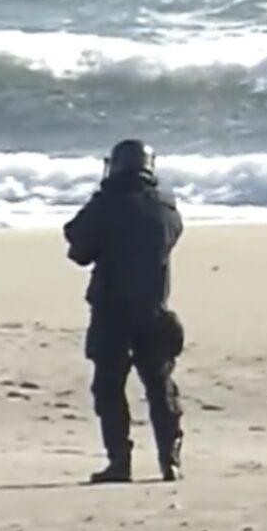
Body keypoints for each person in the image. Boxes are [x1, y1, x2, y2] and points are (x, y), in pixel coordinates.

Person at [63, 139, 186, 484]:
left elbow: (78, 248)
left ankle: (120, 461)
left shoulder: (107, 204)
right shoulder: (166, 207)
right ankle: (170, 459)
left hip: (111, 312)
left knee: (109, 388)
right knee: (160, 386)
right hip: (154, 311)